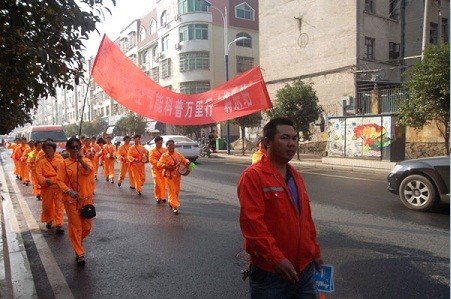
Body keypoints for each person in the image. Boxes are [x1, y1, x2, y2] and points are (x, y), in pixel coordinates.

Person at [237, 117, 323, 298]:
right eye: (285, 138)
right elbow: (253, 226)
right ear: (267, 142)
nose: (291, 143)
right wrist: (276, 259)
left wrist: (314, 251)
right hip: (272, 273)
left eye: (294, 138)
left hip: (304, 269)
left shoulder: (296, 176)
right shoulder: (253, 177)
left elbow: (306, 219)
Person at [56, 137, 94, 266]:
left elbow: (88, 171)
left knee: (87, 228)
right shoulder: (63, 164)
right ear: (67, 149)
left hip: (86, 199)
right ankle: (79, 253)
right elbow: (59, 181)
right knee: (76, 227)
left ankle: (77, 241)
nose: (75, 149)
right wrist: (69, 191)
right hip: (71, 200)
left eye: (77, 146)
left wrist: (80, 160)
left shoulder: (86, 160)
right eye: (72, 147)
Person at [35, 140, 65, 235]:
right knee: (47, 206)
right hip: (47, 187)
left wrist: (56, 181)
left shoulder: (60, 161)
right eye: (46, 148)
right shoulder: (41, 162)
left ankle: (59, 224)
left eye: (50, 148)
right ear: (43, 150)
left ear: (54, 149)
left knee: (59, 206)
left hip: (58, 187)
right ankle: (49, 220)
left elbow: (64, 174)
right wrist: (45, 181)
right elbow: (38, 173)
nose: (48, 150)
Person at [157, 139, 190, 215]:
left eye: (172, 145)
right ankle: (175, 206)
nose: (171, 146)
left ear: (174, 146)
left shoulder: (178, 154)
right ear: (167, 146)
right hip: (169, 176)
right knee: (172, 190)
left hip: (177, 176)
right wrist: (166, 166)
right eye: (169, 145)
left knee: (176, 191)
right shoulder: (164, 155)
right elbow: (159, 164)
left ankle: (171, 201)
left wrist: (188, 163)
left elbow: (184, 160)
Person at [148, 136, 166, 204]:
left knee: (163, 183)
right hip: (155, 170)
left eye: (161, 143)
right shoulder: (152, 151)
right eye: (159, 143)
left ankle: (163, 197)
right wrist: (159, 163)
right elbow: (151, 159)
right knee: (157, 183)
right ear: (155, 143)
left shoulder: (165, 150)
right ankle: (158, 197)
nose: (160, 144)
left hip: (163, 170)